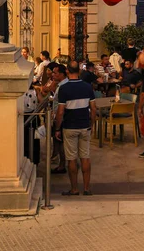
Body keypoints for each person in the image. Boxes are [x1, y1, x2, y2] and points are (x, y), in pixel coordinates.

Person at [54, 61, 97, 196]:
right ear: (79, 70)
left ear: (67, 71)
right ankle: (86, 187)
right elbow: (93, 109)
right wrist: (92, 123)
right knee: (85, 156)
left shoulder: (64, 88)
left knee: (71, 158)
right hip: (84, 125)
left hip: (70, 126)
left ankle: (74, 188)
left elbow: (60, 112)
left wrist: (57, 128)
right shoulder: (87, 87)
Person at [51, 64, 69, 175]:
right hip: (58, 115)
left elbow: (62, 106)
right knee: (58, 141)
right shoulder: (59, 85)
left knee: (61, 141)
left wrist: (58, 123)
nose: (53, 75)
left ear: (62, 74)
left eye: (55, 73)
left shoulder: (64, 86)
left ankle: (63, 165)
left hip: (62, 117)